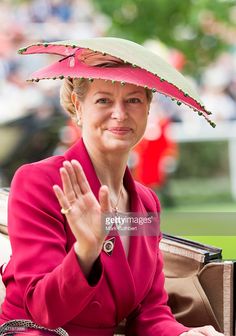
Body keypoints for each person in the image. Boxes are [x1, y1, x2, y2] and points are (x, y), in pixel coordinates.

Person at [0, 37, 222, 336]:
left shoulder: (145, 203)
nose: (120, 113)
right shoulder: (39, 183)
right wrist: (86, 252)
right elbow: (45, 309)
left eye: (133, 100)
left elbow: (150, 311)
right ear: (78, 107)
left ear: (147, 109)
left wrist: (182, 334)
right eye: (103, 100)